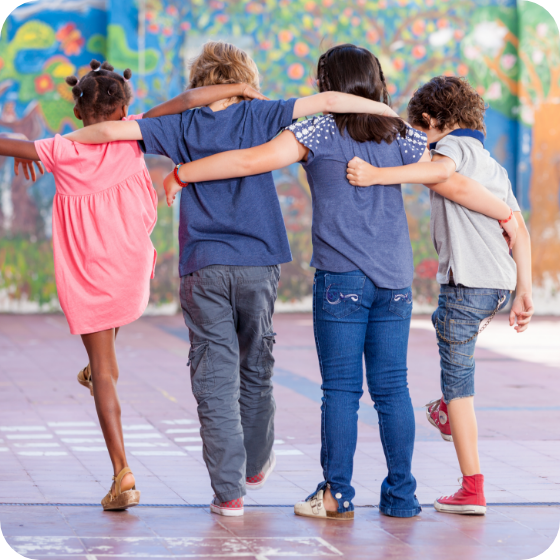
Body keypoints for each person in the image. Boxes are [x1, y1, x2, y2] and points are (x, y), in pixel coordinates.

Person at [158, 44, 518, 520]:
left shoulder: (318, 129)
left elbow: (249, 162)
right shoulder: (403, 134)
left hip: (341, 280)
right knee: (393, 389)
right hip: (394, 280)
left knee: (342, 391)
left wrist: (183, 173)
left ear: (329, 84)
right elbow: (449, 179)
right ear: (376, 82)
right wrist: (507, 217)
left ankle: (336, 496)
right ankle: (402, 496)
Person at [65, 41, 401, 517]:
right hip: (259, 260)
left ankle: (230, 494)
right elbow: (328, 102)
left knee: (214, 376)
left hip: (203, 264)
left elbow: (108, 132)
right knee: (256, 362)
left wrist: (58, 147)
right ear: (243, 75)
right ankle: (256, 464)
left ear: (199, 80)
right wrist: (384, 107)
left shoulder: (179, 124)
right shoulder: (264, 113)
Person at [0, 58, 267, 511]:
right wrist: (241, 88)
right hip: (130, 272)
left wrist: (28, 143)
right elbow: (185, 101)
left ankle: (122, 473)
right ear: (124, 108)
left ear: (78, 111)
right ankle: (96, 369)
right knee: (105, 354)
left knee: (105, 374)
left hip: (88, 278)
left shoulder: (60, 149)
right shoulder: (136, 133)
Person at [346, 75, 533, 515]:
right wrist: (524, 288)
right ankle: (448, 408)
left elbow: (439, 172)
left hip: (467, 282)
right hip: (496, 284)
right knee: (457, 369)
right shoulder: (491, 162)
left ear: (430, 121)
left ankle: (472, 486)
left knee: (459, 382)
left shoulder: (452, 148)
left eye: (423, 132)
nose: (425, 143)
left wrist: (376, 175)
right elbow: (517, 227)